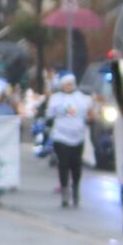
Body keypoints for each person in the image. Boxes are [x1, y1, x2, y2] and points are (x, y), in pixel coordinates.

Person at [44, 72, 93, 207]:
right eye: (65, 85)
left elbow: (88, 115)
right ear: (62, 85)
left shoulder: (82, 99)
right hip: (61, 136)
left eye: (70, 84)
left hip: (77, 137)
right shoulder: (56, 99)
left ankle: (75, 189)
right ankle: (65, 191)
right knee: (63, 164)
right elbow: (49, 115)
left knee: (76, 165)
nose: (68, 87)